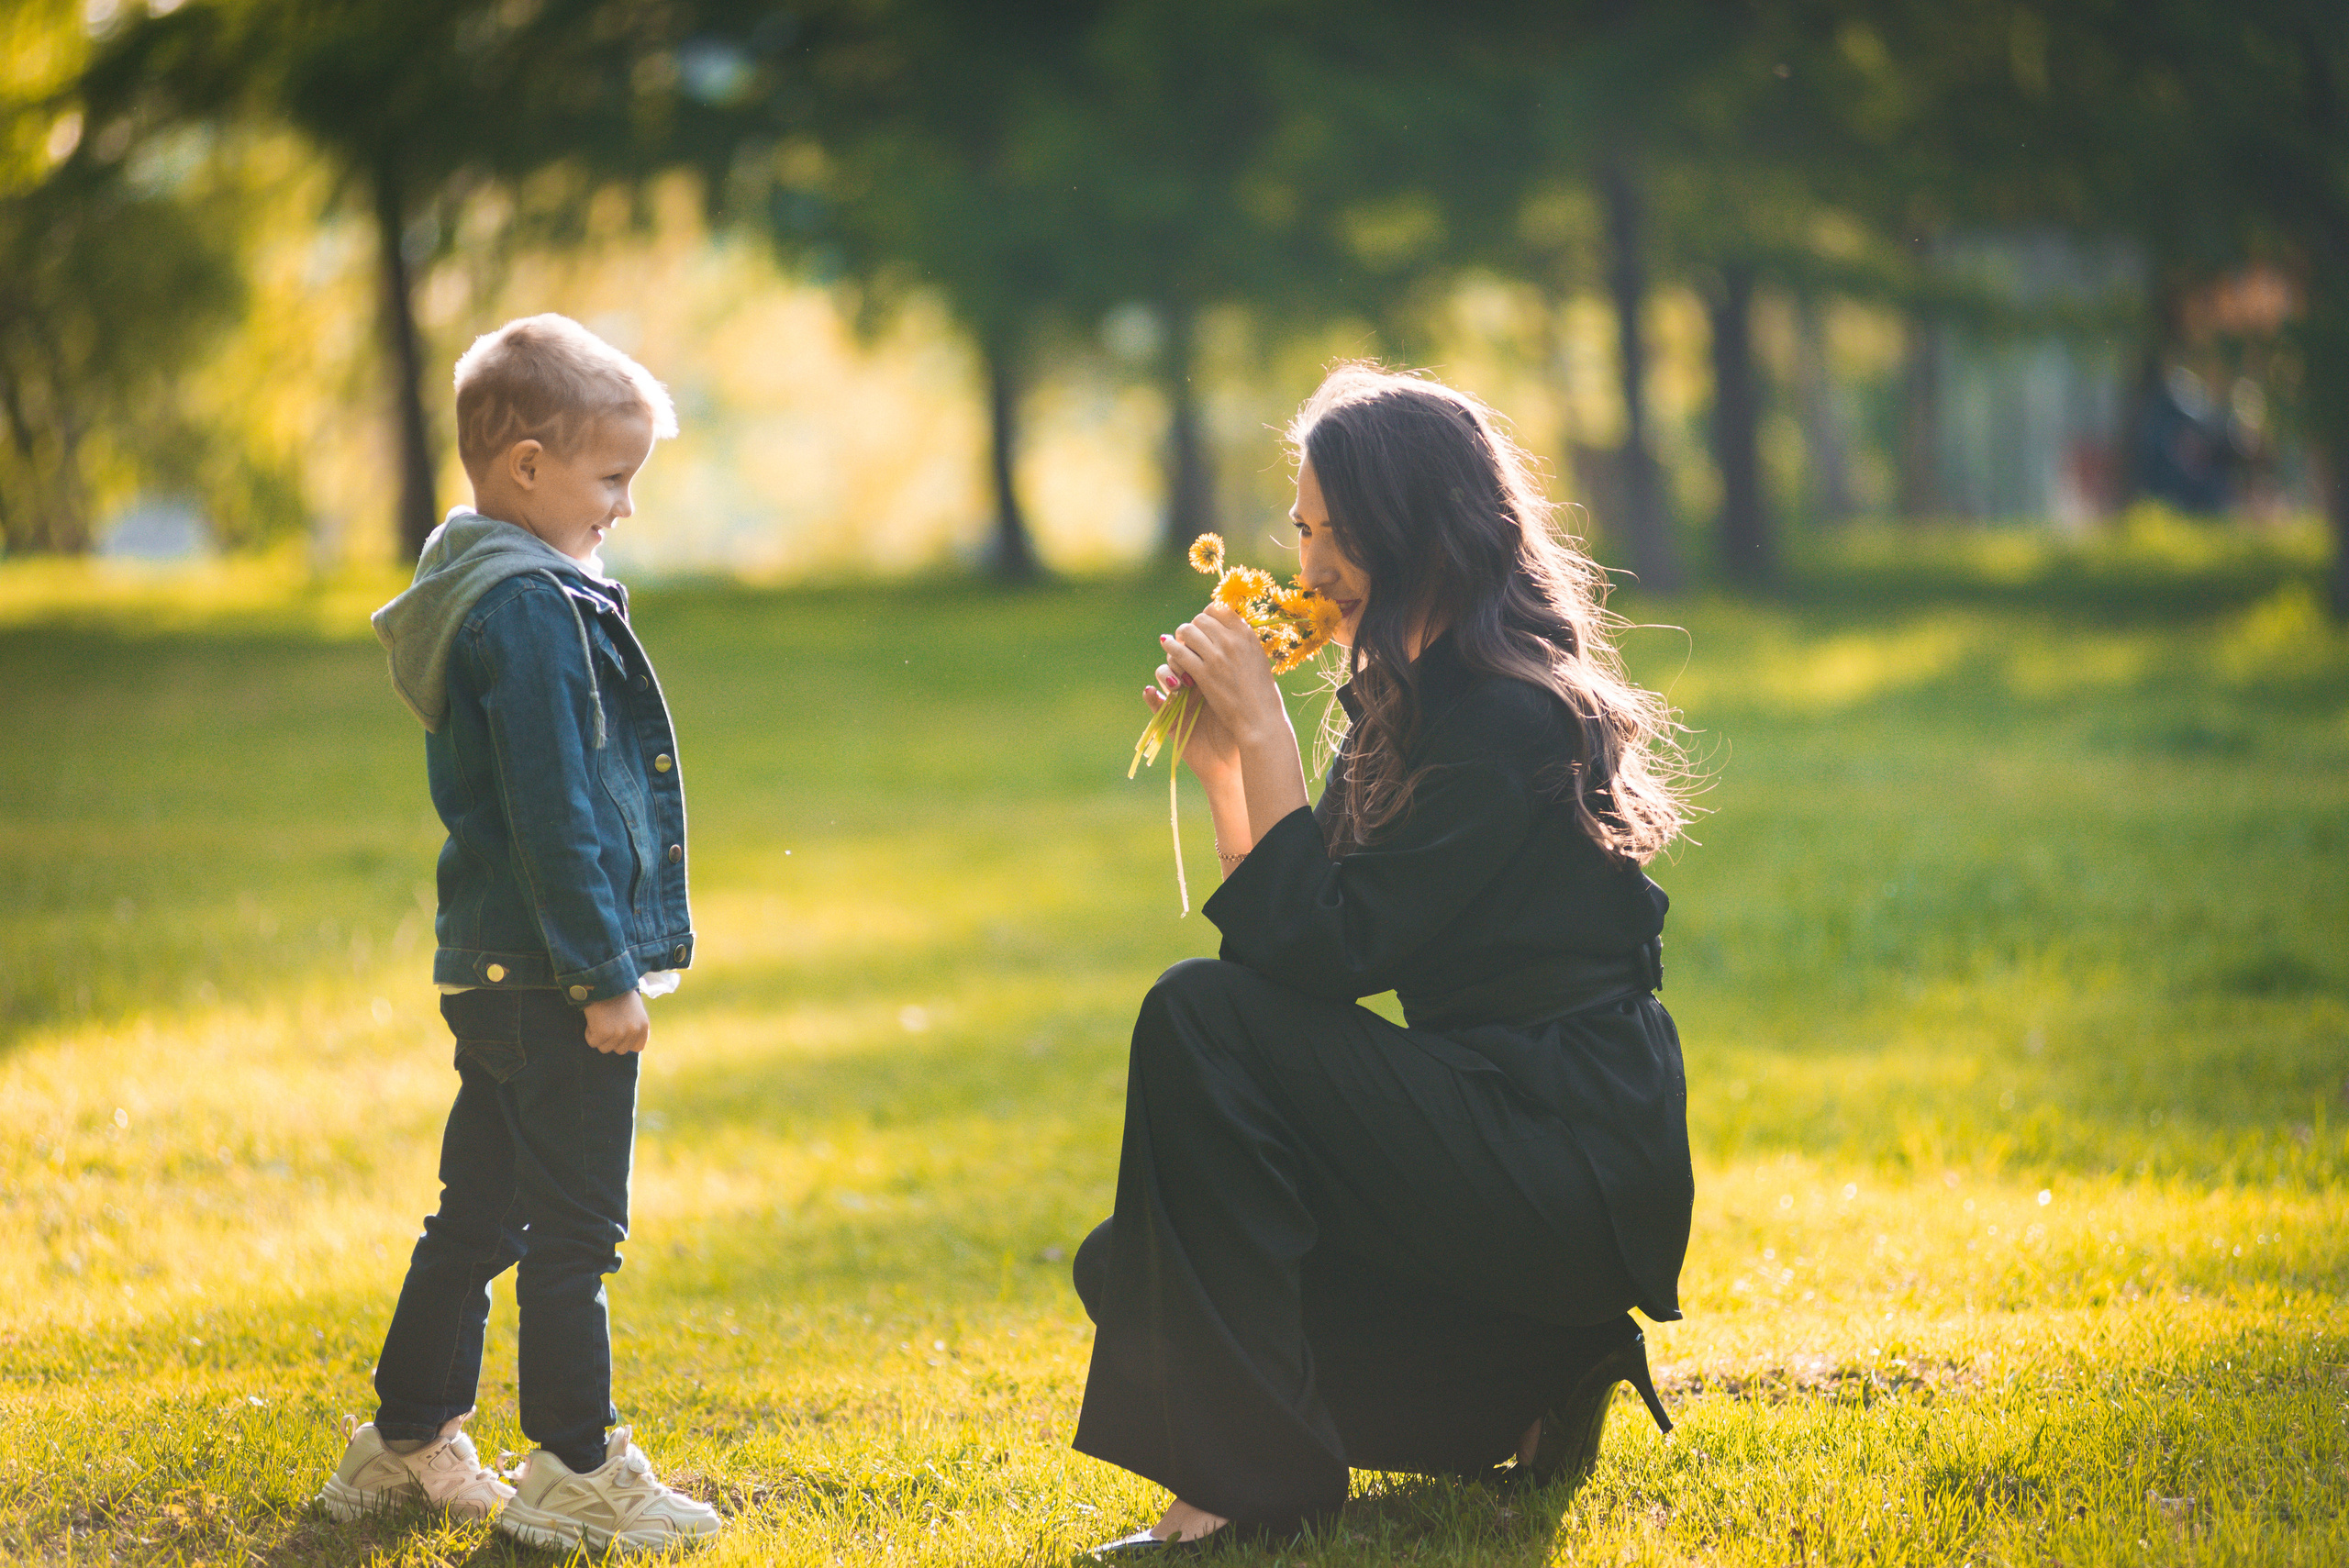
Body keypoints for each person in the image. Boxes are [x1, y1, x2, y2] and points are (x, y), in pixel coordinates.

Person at [1072, 365, 1696, 1552]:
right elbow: (1305, 951)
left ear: (1419, 531)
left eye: (1334, 533)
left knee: (1194, 1015)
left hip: (1565, 1144)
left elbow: (1325, 950)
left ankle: (1241, 1491)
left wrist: (1262, 723)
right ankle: (1532, 1372)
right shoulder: (1416, 703)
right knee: (1140, 1271)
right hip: (1493, 1127)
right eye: (1302, 529)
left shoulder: (1511, 717)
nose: (1306, 565)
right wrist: (1224, 769)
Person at [317, 314, 720, 1553]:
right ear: (528, 466)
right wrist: (605, 976)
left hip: (485, 971)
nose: (625, 508)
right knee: (573, 1232)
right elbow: (557, 814)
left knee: (479, 1216)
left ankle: (402, 1440)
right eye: (611, 479)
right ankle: (578, 1467)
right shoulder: (533, 610)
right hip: (551, 977)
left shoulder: (478, 583)